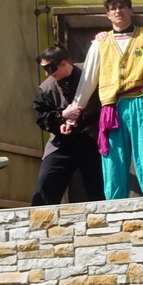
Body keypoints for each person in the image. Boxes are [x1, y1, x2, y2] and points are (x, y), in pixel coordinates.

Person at [62, 0, 143, 200]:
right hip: (112, 106)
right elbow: (89, 79)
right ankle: (114, 204)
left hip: (140, 99)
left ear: (131, 10)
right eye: (113, 9)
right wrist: (75, 109)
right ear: (108, 15)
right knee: (113, 156)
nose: (118, 11)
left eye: (122, 7)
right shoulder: (100, 43)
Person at [30, 45, 104, 205]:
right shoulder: (47, 87)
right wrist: (61, 118)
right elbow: (41, 116)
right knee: (45, 188)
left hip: (93, 138)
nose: (47, 74)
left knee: (99, 190)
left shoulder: (90, 73)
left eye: (50, 68)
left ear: (63, 63)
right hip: (63, 141)